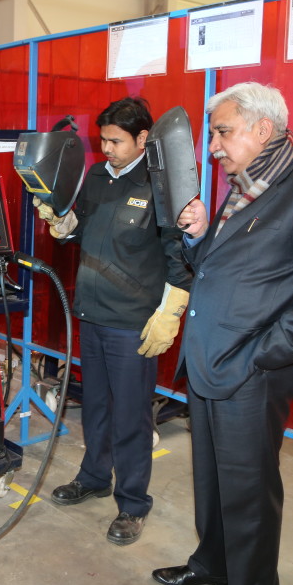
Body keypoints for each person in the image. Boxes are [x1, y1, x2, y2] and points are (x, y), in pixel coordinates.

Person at [152, 82, 293, 585]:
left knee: (250, 494)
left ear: (263, 129)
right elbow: (223, 271)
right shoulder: (244, 187)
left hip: (252, 372)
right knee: (214, 481)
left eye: (223, 131)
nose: (214, 146)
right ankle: (214, 564)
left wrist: (261, 356)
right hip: (210, 363)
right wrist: (200, 237)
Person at [36, 97, 192, 545]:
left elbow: (177, 254)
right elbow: (81, 230)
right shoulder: (99, 178)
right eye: (102, 139)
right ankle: (93, 477)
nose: (106, 148)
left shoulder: (161, 184)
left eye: (115, 141)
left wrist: (171, 311)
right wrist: (63, 223)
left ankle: (132, 503)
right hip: (92, 311)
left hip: (132, 323)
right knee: (97, 406)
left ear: (143, 138)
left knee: (131, 416)